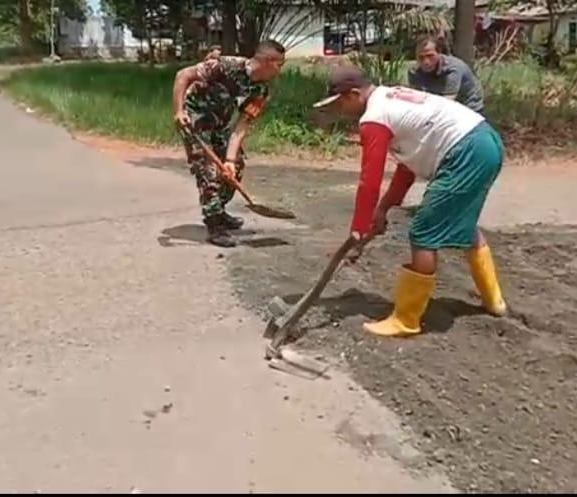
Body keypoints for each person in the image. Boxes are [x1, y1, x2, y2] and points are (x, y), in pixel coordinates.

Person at [312, 66, 507, 337]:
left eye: (339, 102)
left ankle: (406, 320)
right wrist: (382, 210)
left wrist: (358, 229)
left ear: (354, 94)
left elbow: (369, 181)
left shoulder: (374, 118)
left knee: (423, 232)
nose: (339, 110)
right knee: (462, 220)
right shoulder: (389, 99)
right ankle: (493, 301)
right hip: (485, 142)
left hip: (466, 152)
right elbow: (408, 166)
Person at [172, 40, 287, 247]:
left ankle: (217, 208)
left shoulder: (261, 90)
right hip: (195, 118)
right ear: (268, 61)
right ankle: (214, 225)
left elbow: (242, 124)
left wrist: (231, 160)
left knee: (235, 167)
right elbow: (183, 75)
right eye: (280, 64)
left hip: (220, 122)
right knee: (208, 170)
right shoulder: (226, 66)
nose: (281, 70)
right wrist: (179, 111)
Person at [408, 35, 485, 116]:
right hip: (439, 106)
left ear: (439, 53)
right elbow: (417, 100)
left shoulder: (453, 69)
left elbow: (447, 104)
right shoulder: (414, 72)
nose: (426, 62)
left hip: (469, 108)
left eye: (430, 56)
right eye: (421, 57)